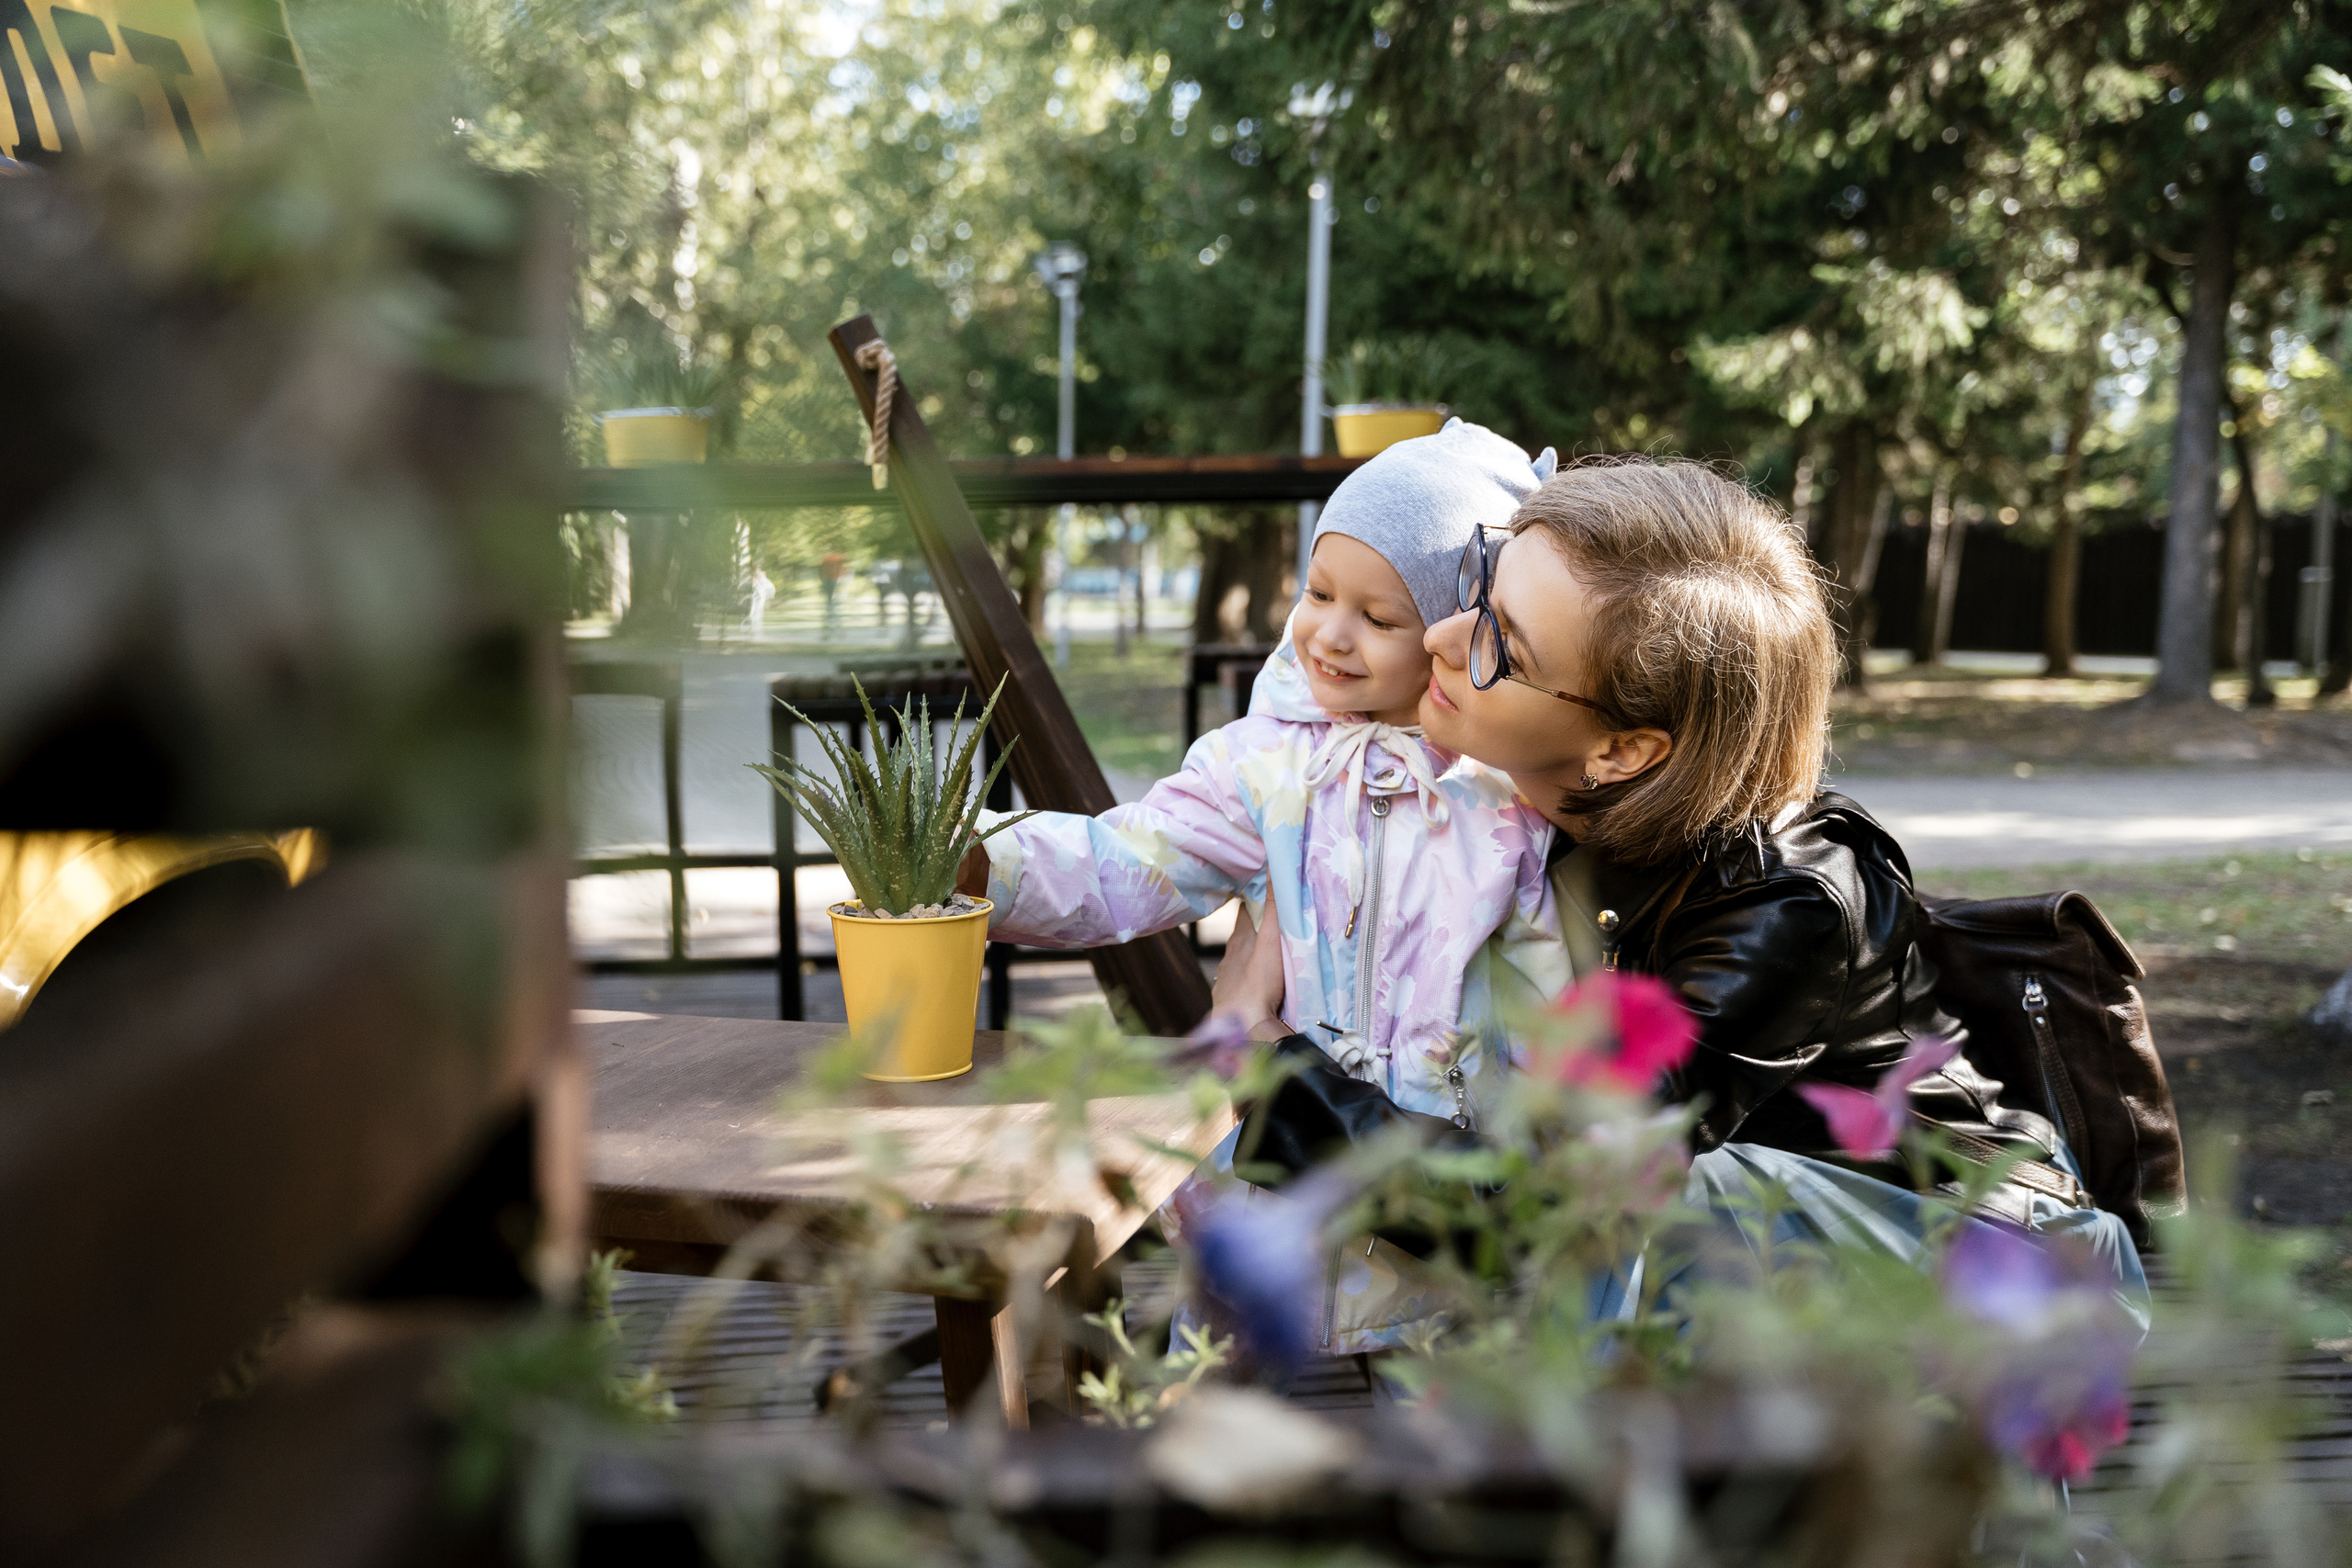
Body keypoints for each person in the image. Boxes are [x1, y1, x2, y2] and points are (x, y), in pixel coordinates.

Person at [1218, 454, 2144, 1299]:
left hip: (1988, 1271)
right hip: (1769, 1292)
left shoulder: (1790, 907)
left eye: (1503, 645)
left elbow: (1548, 1218)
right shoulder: (1516, 794)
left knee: (1671, 1205)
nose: (1441, 635)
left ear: (1625, 749)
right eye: (1478, 585)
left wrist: (1272, 1071)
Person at [961, 422, 1568, 1131]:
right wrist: (982, 862)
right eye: (1317, 593)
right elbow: (1126, 861)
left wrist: (1547, 1158)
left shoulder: (1502, 796)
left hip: (1443, 1176)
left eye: (1378, 617)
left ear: (1451, 633)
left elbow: (1547, 992)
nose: (1331, 634)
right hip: (1287, 1149)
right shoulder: (1264, 767)